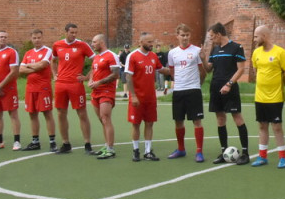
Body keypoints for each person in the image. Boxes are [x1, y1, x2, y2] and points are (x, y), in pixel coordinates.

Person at [205, 23, 249, 164]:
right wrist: (201, 58)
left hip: (230, 88)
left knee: (237, 117)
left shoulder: (236, 47)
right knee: (220, 119)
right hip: (215, 88)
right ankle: (224, 152)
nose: (211, 40)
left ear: (218, 34)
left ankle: (245, 153)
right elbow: (208, 70)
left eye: (212, 37)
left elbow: (241, 69)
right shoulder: (215, 49)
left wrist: (229, 84)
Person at [250, 24, 285, 168]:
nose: (254, 39)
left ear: (264, 36)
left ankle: (282, 158)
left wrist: (278, 85)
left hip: (275, 97)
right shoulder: (256, 53)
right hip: (260, 97)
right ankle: (262, 156)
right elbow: (256, 71)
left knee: (277, 127)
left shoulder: (280, 53)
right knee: (262, 125)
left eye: (256, 36)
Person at [165, 23, 207, 162]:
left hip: (193, 90)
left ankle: (199, 152)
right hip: (178, 91)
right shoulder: (172, 53)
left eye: (187, 35)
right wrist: (178, 81)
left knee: (197, 121)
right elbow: (172, 72)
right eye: (182, 35)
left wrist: (197, 85)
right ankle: (181, 149)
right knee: (178, 121)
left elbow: (203, 72)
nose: (185, 38)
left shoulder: (197, 51)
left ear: (190, 36)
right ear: (177, 36)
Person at [52, 23, 94, 154]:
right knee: (61, 114)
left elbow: (96, 60)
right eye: (72, 32)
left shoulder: (82, 45)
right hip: (60, 85)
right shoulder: (57, 45)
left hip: (76, 84)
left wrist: (87, 77)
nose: (74, 35)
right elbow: (52, 60)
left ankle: (87, 143)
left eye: (76, 32)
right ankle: (65, 143)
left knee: (82, 113)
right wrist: (54, 75)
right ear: (66, 32)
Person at [19, 29, 58, 152]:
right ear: (31, 39)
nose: (37, 40)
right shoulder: (28, 53)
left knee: (47, 113)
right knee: (32, 114)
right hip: (30, 88)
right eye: (34, 38)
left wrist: (29, 66)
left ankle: (52, 142)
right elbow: (20, 70)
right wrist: (35, 67)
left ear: (42, 38)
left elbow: (43, 65)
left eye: (39, 38)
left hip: (43, 87)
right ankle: (35, 141)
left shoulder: (48, 51)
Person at [125, 32, 162, 161]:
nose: (151, 44)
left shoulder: (154, 56)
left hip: (150, 97)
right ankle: (136, 150)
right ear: (140, 42)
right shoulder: (133, 56)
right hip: (137, 98)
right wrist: (133, 96)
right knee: (136, 124)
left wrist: (178, 70)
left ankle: (148, 151)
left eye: (152, 41)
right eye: (149, 42)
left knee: (150, 123)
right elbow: (128, 77)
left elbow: (161, 69)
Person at [88, 34, 120, 159]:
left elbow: (116, 74)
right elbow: (93, 71)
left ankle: (111, 149)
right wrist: (91, 80)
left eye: (94, 42)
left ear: (101, 42)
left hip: (106, 91)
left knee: (105, 118)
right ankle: (106, 145)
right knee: (102, 120)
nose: (92, 44)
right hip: (96, 92)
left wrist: (99, 82)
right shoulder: (96, 57)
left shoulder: (111, 55)